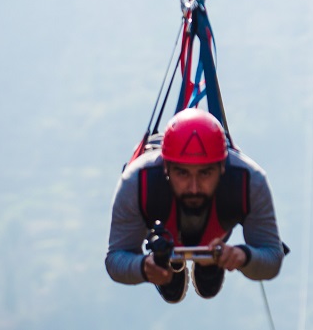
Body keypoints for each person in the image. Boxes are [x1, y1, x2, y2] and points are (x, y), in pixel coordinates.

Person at [106, 108, 284, 302]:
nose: (193, 187)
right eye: (182, 173)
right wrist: (144, 267)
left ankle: (209, 262)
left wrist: (242, 256)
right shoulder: (136, 183)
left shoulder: (250, 182)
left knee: (207, 286)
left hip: (213, 226)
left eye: (205, 173)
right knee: (172, 288)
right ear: (166, 168)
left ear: (222, 167)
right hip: (174, 221)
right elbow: (115, 259)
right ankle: (179, 264)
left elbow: (272, 257)